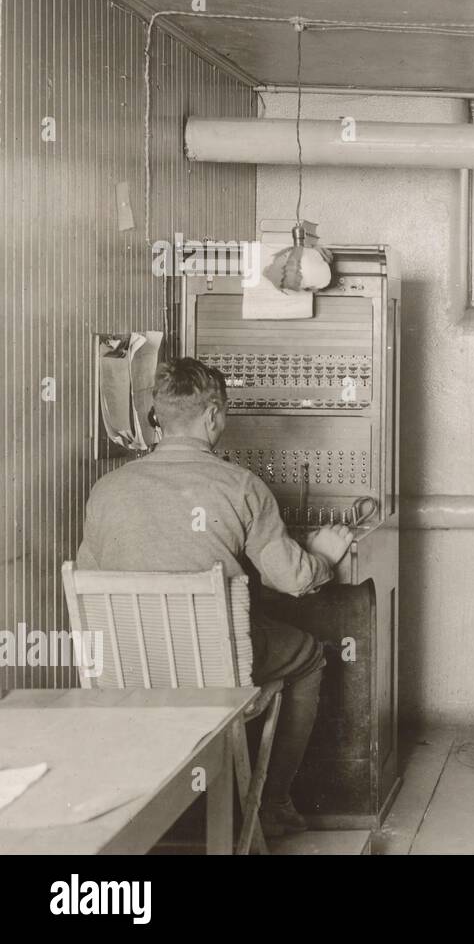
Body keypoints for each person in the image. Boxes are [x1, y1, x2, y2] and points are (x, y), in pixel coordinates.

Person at [77, 357, 354, 838]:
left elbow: (89, 580)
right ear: (212, 417)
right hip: (211, 671)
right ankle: (273, 803)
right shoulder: (241, 486)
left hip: (127, 672)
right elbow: (292, 579)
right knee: (308, 656)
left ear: (157, 417)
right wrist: (323, 556)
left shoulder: (106, 490)